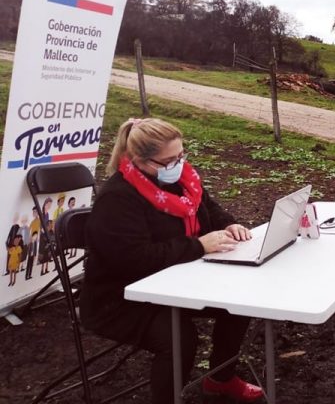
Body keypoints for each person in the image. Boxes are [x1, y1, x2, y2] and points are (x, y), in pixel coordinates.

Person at [80, 118, 265, 403]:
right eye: (169, 161)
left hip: (178, 278)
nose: (177, 164)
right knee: (179, 339)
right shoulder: (118, 199)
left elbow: (207, 207)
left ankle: (220, 379)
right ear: (139, 160)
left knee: (238, 302)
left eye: (181, 155)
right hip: (121, 297)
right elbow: (133, 259)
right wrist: (198, 246)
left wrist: (229, 224)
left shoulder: (182, 181)